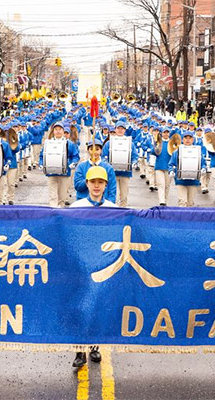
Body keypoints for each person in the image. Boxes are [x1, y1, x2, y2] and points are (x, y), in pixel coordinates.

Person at [69, 165, 115, 367]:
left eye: (100, 182)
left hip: (103, 266)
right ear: (86, 184)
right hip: (80, 266)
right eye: (93, 182)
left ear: (106, 185)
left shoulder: (113, 210)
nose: (96, 186)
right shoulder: (75, 207)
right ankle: (79, 351)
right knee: (79, 308)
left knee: (98, 306)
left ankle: (95, 346)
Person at [40, 122, 80, 208]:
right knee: (52, 196)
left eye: (60, 129)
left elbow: (76, 156)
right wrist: (41, 164)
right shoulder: (48, 143)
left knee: (62, 197)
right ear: (53, 131)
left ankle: (60, 213)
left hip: (64, 173)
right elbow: (42, 155)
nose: (58, 131)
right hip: (51, 173)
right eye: (56, 130)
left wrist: (73, 163)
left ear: (63, 131)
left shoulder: (69, 143)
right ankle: (53, 212)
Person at [101, 121, 138, 207]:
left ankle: (123, 216)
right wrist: (107, 165)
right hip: (112, 173)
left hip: (125, 173)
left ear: (125, 130)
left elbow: (134, 156)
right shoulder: (109, 143)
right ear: (115, 129)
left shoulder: (130, 143)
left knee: (124, 197)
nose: (120, 130)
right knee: (114, 196)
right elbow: (104, 156)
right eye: (118, 128)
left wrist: (134, 163)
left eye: (122, 128)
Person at [168, 130, 206, 207]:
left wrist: (203, 168)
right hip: (180, 181)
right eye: (186, 138)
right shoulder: (177, 151)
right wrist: (171, 171)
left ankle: (189, 219)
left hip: (193, 181)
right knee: (182, 202)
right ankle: (182, 218)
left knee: (190, 203)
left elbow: (202, 162)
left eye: (190, 138)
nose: (188, 140)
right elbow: (171, 164)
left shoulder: (197, 151)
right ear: (182, 139)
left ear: (193, 139)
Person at [73, 138, 117, 203]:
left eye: (97, 149)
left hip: (102, 203)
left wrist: (109, 205)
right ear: (88, 150)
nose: (94, 152)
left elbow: (112, 189)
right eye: (91, 149)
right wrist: (89, 179)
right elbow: (77, 186)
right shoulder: (81, 166)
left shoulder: (108, 168)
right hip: (84, 203)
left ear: (101, 150)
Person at [154, 127, 172, 206]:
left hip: (169, 167)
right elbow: (153, 152)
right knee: (161, 184)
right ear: (161, 133)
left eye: (167, 132)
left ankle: (165, 201)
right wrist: (155, 145)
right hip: (159, 166)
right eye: (164, 132)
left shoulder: (172, 143)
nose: (166, 134)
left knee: (167, 186)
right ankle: (162, 201)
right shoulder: (158, 142)